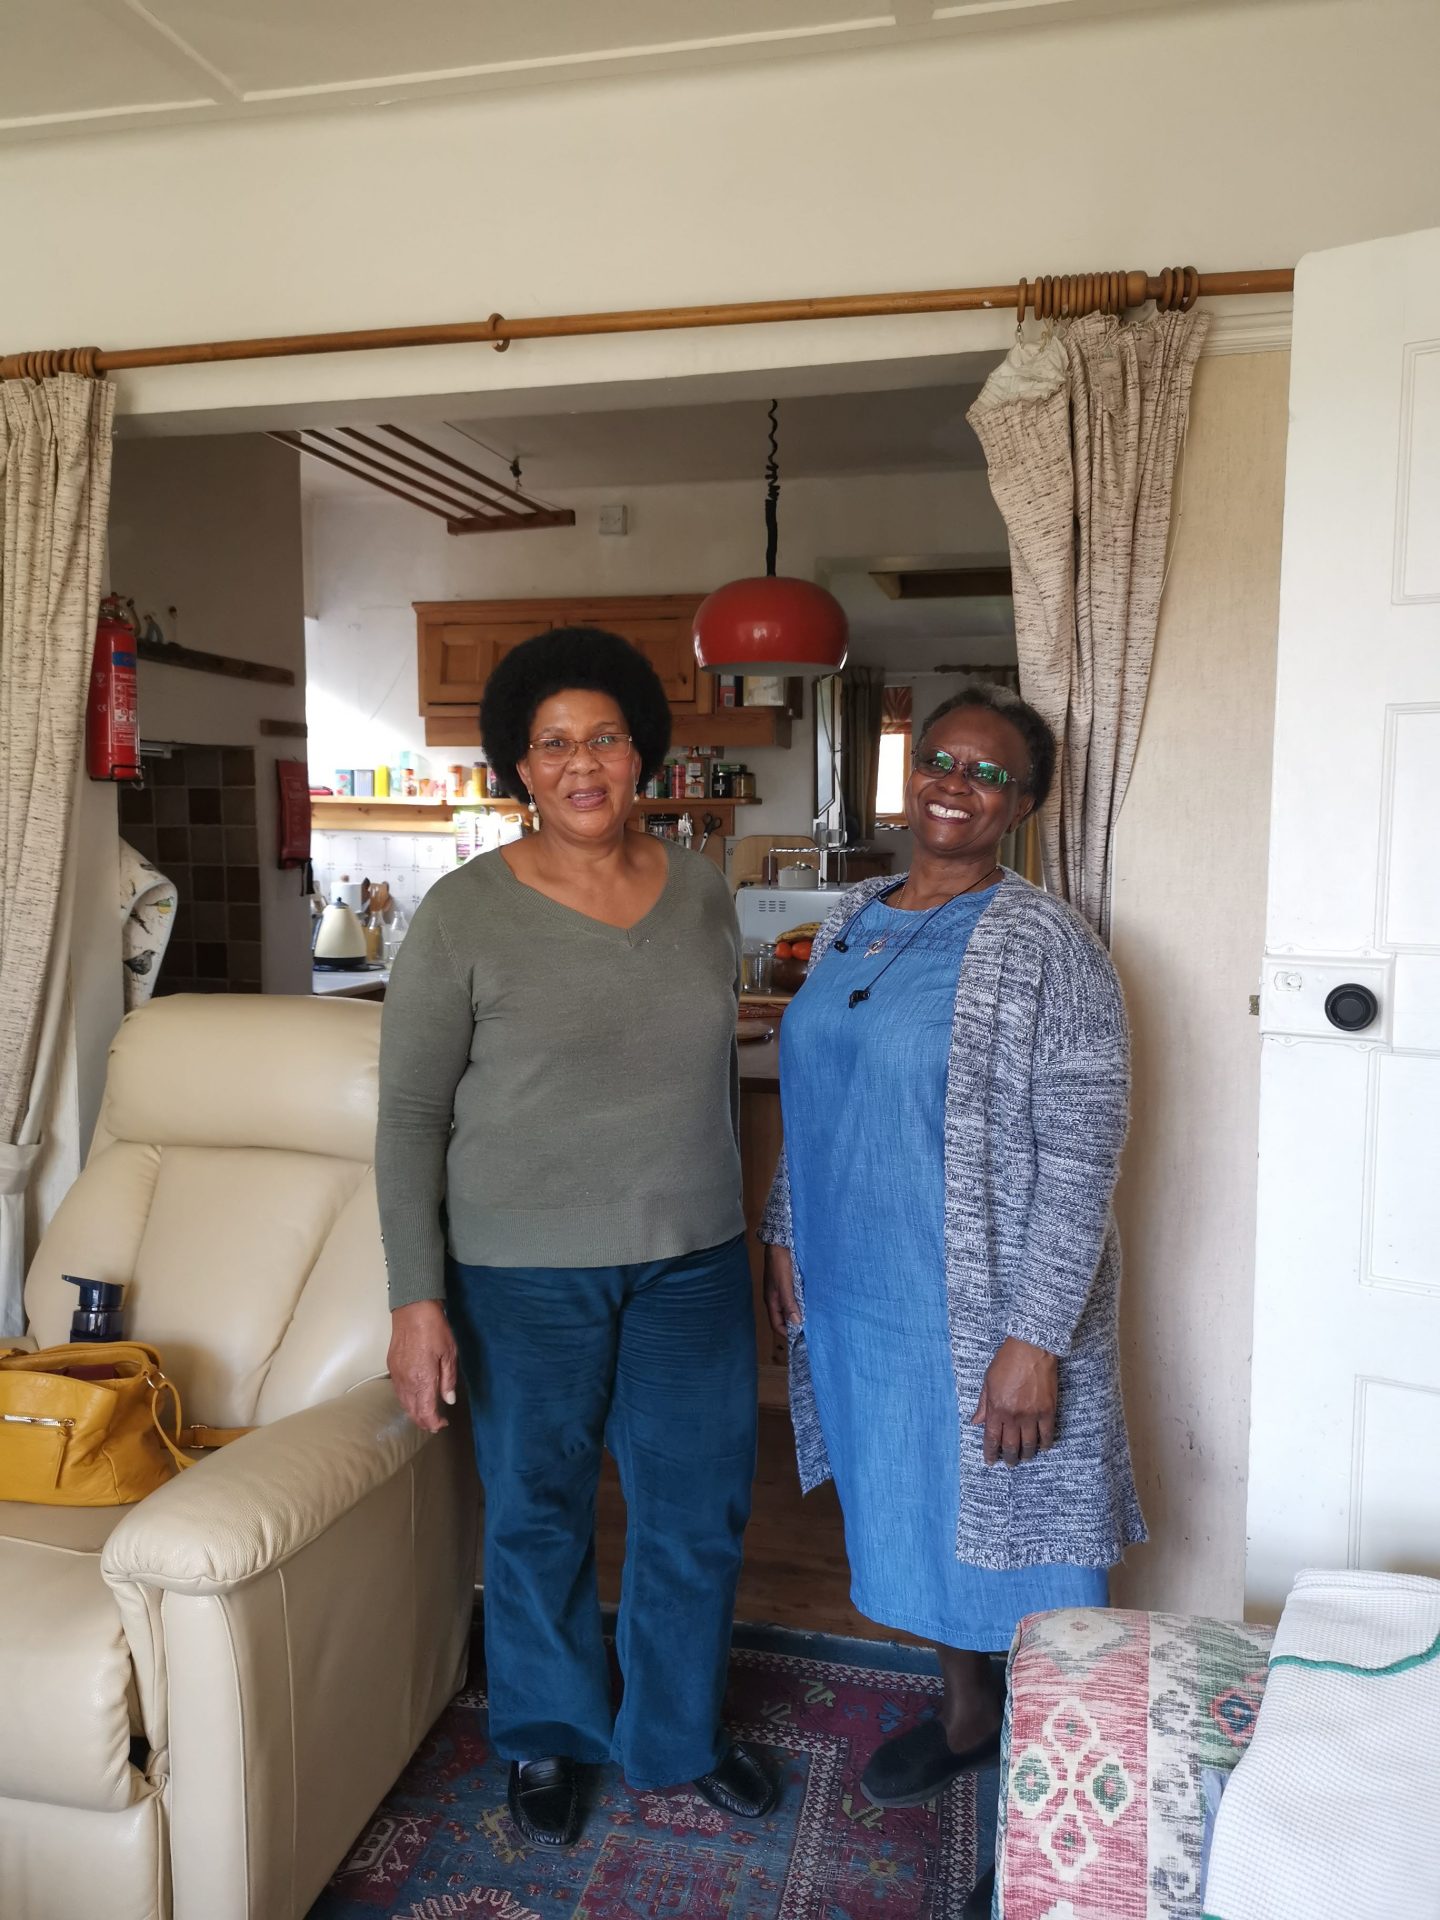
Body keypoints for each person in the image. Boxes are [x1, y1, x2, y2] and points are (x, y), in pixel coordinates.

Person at [377, 628, 775, 1850]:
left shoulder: (704, 894)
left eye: (604, 737)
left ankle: (676, 1734)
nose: (582, 763)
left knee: (696, 1509)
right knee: (537, 1508)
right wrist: (416, 1298)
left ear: (642, 752)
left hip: (691, 1262)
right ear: (520, 766)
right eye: (553, 744)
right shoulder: (461, 916)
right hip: (519, 1274)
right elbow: (410, 1119)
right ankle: (549, 1731)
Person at [762, 682, 1143, 1833]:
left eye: (987, 774)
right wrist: (785, 1228)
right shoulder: (854, 915)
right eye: (940, 760)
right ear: (910, 771)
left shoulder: (1049, 944)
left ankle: (1060, 1812)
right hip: (864, 1298)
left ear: (1022, 805)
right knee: (919, 1509)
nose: (954, 786)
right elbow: (818, 1093)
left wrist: (1034, 1340)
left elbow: (1082, 1155)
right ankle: (971, 1715)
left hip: (982, 1304)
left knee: (1027, 1540)